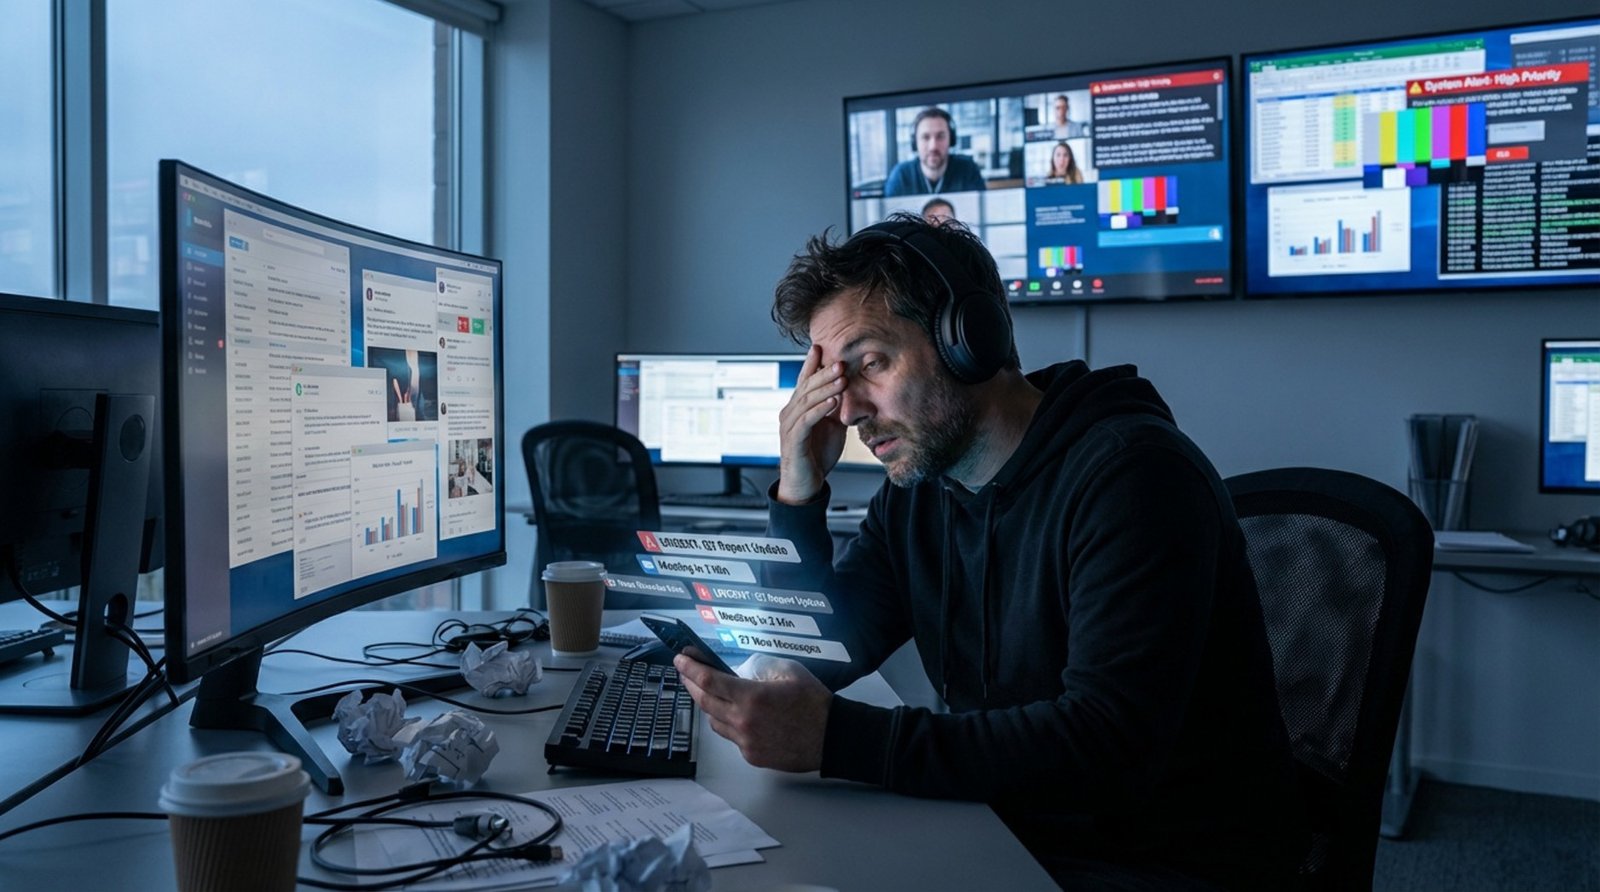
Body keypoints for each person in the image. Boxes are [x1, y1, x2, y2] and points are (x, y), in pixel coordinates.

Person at [673, 213, 1307, 890]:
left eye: (871, 364)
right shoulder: (921, 492)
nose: (849, 411)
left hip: (1155, 861)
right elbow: (806, 657)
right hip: (1007, 825)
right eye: (833, 380)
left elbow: (1106, 744)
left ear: (965, 340)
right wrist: (798, 492)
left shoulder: (1133, 477)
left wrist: (841, 740)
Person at [883, 107, 987, 196]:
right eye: (925, 137)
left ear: (951, 140)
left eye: (940, 136)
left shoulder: (968, 170)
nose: (933, 146)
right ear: (915, 143)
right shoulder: (901, 175)